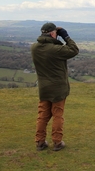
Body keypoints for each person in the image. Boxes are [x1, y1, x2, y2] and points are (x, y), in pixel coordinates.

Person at [31, 22, 79, 151]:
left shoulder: (34, 48)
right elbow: (74, 50)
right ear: (53, 33)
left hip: (44, 88)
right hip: (58, 88)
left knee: (43, 115)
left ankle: (40, 142)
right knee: (58, 115)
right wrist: (65, 36)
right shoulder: (56, 49)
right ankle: (57, 142)